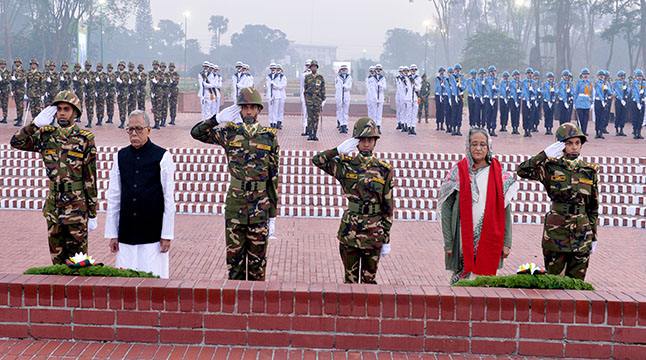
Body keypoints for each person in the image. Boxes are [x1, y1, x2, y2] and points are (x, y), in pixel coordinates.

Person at [191, 87, 279, 281]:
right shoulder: (229, 133)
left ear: (259, 110)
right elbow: (196, 133)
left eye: (252, 107)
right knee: (235, 265)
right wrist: (216, 119)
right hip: (236, 205)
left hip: (260, 205)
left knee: (257, 267)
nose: (248, 111)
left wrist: (272, 215)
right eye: (244, 107)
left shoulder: (269, 136)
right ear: (239, 109)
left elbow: (274, 177)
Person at [10, 91, 97, 264]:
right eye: (58, 109)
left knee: (78, 263)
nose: (62, 113)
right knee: (57, 263)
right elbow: (16, 142)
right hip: (54, 207)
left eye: (66, 109)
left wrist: (92, 213)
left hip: (76, 209)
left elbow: (90, 178)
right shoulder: (46, 136)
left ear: (76, 113)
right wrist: (34, 125)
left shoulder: (84, 139)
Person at [312, 117, 393, 284]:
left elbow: (388, 206)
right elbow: (317, 160)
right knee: (350, 281)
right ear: (355, 142)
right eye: (361, 140)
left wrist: (386, 238)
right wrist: (337, 151)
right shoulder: (346, 165)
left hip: (374, 231)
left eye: (369, 140)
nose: (365, 144)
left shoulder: (384, 169)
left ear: (375, 142)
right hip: (351, 231)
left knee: (369, 282)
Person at [517, 122, 598, 280]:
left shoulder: (589, 171)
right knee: (553, 282)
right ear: (560, 146)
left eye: (577, 143)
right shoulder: (550, 167)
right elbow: (522, 170)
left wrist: (593, 236)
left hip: (582, 233)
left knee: (577, 285)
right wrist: (544, 154)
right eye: (569, 143)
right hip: (556, 233)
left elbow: (593, 207)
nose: (574, 147)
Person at [439, 128, 517, 284]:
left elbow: (505, 211)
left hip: (489, 239)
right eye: (474, 144)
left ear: (489, 147)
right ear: (468, 146)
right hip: (461, 239)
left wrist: (506, 243)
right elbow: (446, 208)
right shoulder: (457, 171)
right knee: (461, 285)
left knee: (484, 284)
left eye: (483, 144)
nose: (478, 148)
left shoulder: (499, 174)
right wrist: (448, 242)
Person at [105, 110, 175, 278]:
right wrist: (113, 234)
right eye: (130, 129)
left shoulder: (162, 156)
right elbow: (114, 196)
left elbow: (168, 198)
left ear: (149, 130)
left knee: (152, 283)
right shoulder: (120, 156)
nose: (134, 133)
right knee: (125, 284)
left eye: (139, 128)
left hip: (152, 234)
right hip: (126, 232)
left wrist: (166, 235)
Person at [304, 60, 326, 141]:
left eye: (315, 67)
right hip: (309, 99)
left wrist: (323, 99)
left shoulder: (320, 77)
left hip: (317, 100)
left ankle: (315, 134)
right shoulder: (307, 77)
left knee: (316, 118)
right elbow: (305, 88)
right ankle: (310, 134)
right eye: (312, 66)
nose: (314, 68)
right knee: (310, 118)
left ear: (317, 68)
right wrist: (306, 98)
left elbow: (323, 89)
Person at [574, 68, 593, 136]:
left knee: (585, 120)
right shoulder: (579, 83)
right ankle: (579, 133)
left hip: (587, 103)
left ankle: (584, 133)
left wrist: (592, 103)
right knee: (580, 120)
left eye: (587, 74)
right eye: (584, 74)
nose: (585, 75)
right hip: (580, 103)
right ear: (582, 75)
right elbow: (576, 93)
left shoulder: (590, 83)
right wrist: (574, 103)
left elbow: (591, 93)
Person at [335, 64, 352, 134]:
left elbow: (350, 86)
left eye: (345, 69)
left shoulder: (349, 77)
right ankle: (341, 125)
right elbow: (337, 87)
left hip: (346, 95)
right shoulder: (338, 78)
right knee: (340, 110)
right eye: (342, 69)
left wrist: (346, 87)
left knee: (345, 111)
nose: (344, 70)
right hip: (339, 95)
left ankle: (345, 125)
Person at [613, 70, 628, 136]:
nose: (622, 77)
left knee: (623, 115)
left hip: (624, 100)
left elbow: (629, 90)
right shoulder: (616, 83)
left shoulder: (625, 83)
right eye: (621, 76)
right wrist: (621, 99)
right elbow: (617, 92)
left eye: (623, 76)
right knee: (618, 115)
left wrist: (626, 92)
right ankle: (617, 129)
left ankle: (621, 129)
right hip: (619, 100)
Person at [631, 69, 645, 139]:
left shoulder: (643, 83)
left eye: (640, 76)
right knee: (635, 117)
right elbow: (635, 93)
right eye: (638, 76)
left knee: (640, 118)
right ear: (636, 76)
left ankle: (639, 132)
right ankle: (635, 132)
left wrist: (644, 95)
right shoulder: (634, 83)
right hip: (635, 102)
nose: (639, 77)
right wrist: (637, 103)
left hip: (642, 101)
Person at [300, 59, 312, 136]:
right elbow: (302, 87)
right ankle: (305, 128)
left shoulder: (315, 75)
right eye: (307, 65)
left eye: (309, 65)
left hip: (312, 97)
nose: (308, 67)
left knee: (311, 113)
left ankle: (310, 129)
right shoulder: (303, 75)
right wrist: (301, 96)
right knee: (305, 113)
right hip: (305, 95)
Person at [116, 61, 130, 129]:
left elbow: (127, 83)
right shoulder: (117, 73)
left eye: (122, 66)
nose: (121, 67)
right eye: (120, 66)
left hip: (124, 93)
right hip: (119, 93)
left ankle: (123, 121)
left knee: (123, 108)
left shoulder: (126, 74)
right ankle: (121, 120)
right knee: (120, 107)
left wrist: (121, 82)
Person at [272, 64, 286, 130]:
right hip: (276, 94)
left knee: (281, 109)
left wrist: (277, 86)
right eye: (277, 69)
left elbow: (282, 86)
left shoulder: (283, 77)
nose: (278, 70)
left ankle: (279, 122)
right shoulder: (274, 77)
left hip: (282, 94)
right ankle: (274, 121)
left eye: (279, 69)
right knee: (275, 109)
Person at [373, 64, 386, 132]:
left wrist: (380, 85)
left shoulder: (382, 78)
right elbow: (371, 88)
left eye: (380, 69)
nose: (378, 71)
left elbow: (384, 87)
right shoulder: (373, 78)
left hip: (380, 95)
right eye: (377, 69)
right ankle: (374, 126)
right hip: (374, 95)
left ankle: (378, 126)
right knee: (374, 112)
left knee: (379, 112)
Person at [509, 70, 522, 134]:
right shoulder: (511, 83)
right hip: (513, 100)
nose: (516, 76)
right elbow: (512, 91)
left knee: (517, 114)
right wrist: (515, 101)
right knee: (513, 113)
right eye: (515, 75)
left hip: (518, 99)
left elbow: (524, 91)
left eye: (517, 75)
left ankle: (516, 127)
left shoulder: (521, 83)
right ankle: (513, 127)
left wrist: (520, 92)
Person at [94, 62, 107, 126]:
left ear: (102, 68)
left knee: (101, 106)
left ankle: (101, 119)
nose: (99, 68)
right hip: (96, 92)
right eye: (98, 67)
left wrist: (100, 81)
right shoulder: (95, 74)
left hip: (102, 92)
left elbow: (105, 83)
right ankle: (98, 118)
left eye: (100, 67)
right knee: (97, 106)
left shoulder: (104, 75)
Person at [0, 59, 10, 123]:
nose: (2, 65)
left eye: (3, 64)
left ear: (5, 65)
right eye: (1, 64)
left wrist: (2, 80)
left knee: (5, 104)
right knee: (1, 104)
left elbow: (8, 81)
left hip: (5, 90)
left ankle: (5, 117)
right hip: (0, 90)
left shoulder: (8, 72)